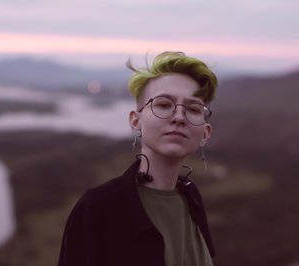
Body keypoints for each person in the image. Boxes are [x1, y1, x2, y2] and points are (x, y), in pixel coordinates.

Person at [58, 51, 217, 266]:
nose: (179, 117)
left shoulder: (192, 200)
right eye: (163, 105)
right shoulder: (97, 208)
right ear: (136, 121)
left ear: (205, 133)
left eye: (193, 109)